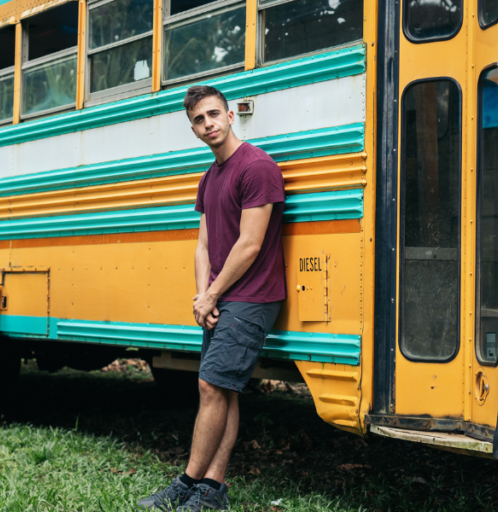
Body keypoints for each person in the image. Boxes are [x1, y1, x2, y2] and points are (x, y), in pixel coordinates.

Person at [137, 85, 287, 511]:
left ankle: (187, 482)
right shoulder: (210, 177)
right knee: (225, 390)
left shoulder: (256, 167)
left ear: (230, 115)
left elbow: (250, 244)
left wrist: (214, 294)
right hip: (221, 296)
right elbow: (203, 245)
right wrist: (204, 295)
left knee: (209, 385)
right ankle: (213, 489)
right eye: (200, 120)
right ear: (193, 129)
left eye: (214, 114)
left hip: (253, 297)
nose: (209, 124)